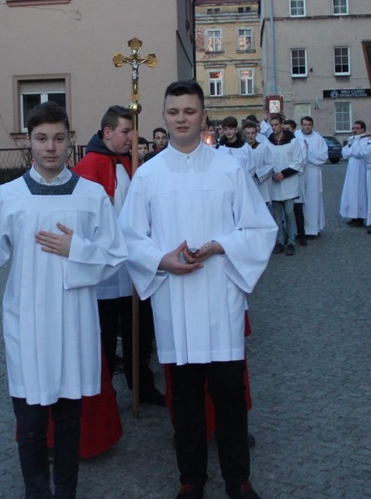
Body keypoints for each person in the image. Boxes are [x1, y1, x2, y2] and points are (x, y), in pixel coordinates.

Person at [0, 101, 127, 498]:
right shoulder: (11, 194)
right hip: (27, 322)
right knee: (30, 425)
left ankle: (65, 492)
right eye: (42, 139)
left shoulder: (91, 195)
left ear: (71, 141)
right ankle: (36, 493)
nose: (51, 147)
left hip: (74, 321)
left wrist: (76, 248)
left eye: (59, 139)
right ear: (28, 142)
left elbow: (116, 255)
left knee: (68, 422)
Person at [119, 80, 276, 499]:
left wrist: (221, 245)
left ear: (203, 115)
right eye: (174, 112)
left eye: (189, 111)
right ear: (164, 117)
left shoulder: (228, 169)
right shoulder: (148, 175)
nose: (181, 119)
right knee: (184, 398)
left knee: (228, 394)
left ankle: (238, 481)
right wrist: (160, 260)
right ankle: (191, 480)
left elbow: (260, 228)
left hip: (220, 297)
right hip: (175, 297)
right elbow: (131, 237)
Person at [73, 105, 165, 406]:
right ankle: (104, 397)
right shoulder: (87, 168)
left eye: (133, 133)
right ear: (108, 132)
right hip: (105, 271)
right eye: (126, 132)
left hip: (134, 265)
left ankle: (142, 386)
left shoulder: (132, 162)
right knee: (105, 337)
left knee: (140, 331)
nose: (130, 139)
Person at [269, 114, 305, 256]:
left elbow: (298, 161)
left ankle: (291, 242)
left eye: (276, 125)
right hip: (274, 183)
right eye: (272, 125)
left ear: (282, 124)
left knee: (289, 213)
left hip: (288, 182)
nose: (274, 127)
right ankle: (280, 241)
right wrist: (272, 173)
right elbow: (266, 160)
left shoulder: (292, 141)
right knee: (277, 215)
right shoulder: (269, 142)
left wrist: (283, 174)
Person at [297, 116, 329, 238]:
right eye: (305, 124)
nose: (307, 127)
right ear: (301, 125)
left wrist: (307, 152)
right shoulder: (296, 136)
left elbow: (324, 156)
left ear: (312, 125)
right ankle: (299, 229)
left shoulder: (318, 138)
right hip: (300, 172)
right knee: (300, 200)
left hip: (313, 172)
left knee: (313, 199)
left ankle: (312, 229)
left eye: (309, 124)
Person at [283, 119, 308, 246]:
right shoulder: (280, 142)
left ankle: (302, 235)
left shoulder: (299, 142)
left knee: (297, 209)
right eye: (285, 128)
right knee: (286, 211)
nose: (286, 131)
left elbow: (301, 161)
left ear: (293, 129)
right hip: (283, 180)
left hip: (295, 178)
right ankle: (287, 234)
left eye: (289, 129)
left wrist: (287, 171)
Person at [339, 120, 368, 226]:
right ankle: (353, 215)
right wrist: (351, 145)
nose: (354, 130)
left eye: (357, 128)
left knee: (359, 191)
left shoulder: (365, 140)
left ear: (362, 129)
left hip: (360, 168)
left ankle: (360, 216)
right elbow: (345, 154)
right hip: (351, 168)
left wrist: (352, 146)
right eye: (353, 128)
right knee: (351, 191)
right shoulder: (353, 140)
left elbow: (358, 153)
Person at [243, 120, 274, 211]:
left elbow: (270, 165)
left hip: (262, 187)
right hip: (247, 187)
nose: (250, 136)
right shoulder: (241, 149)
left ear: (256, 133)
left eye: (252, 133)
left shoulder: (263, 148)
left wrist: (257, 174)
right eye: (248, 133)